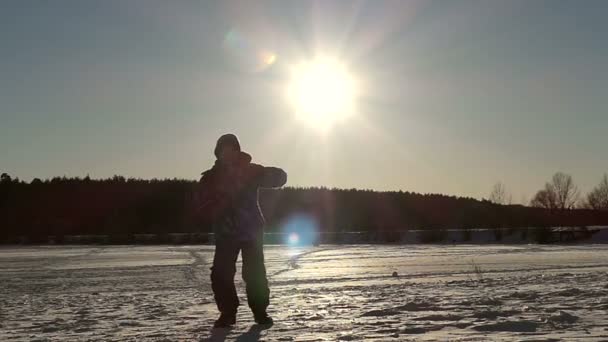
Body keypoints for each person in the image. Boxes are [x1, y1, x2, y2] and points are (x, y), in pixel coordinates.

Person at [196, 133, 287, 328]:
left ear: (237, 151)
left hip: (251, 231)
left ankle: (260, 312)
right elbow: (201, 205)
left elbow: (279, 178)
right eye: (223, 150)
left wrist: (274, 174)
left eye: (232, 149)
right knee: (220, 274)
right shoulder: (210, 178)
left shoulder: (251, 171)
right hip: (226, 233)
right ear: (218, 153)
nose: (227, 154)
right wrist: (217, 205)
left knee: (254, 273)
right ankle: (228, 313)